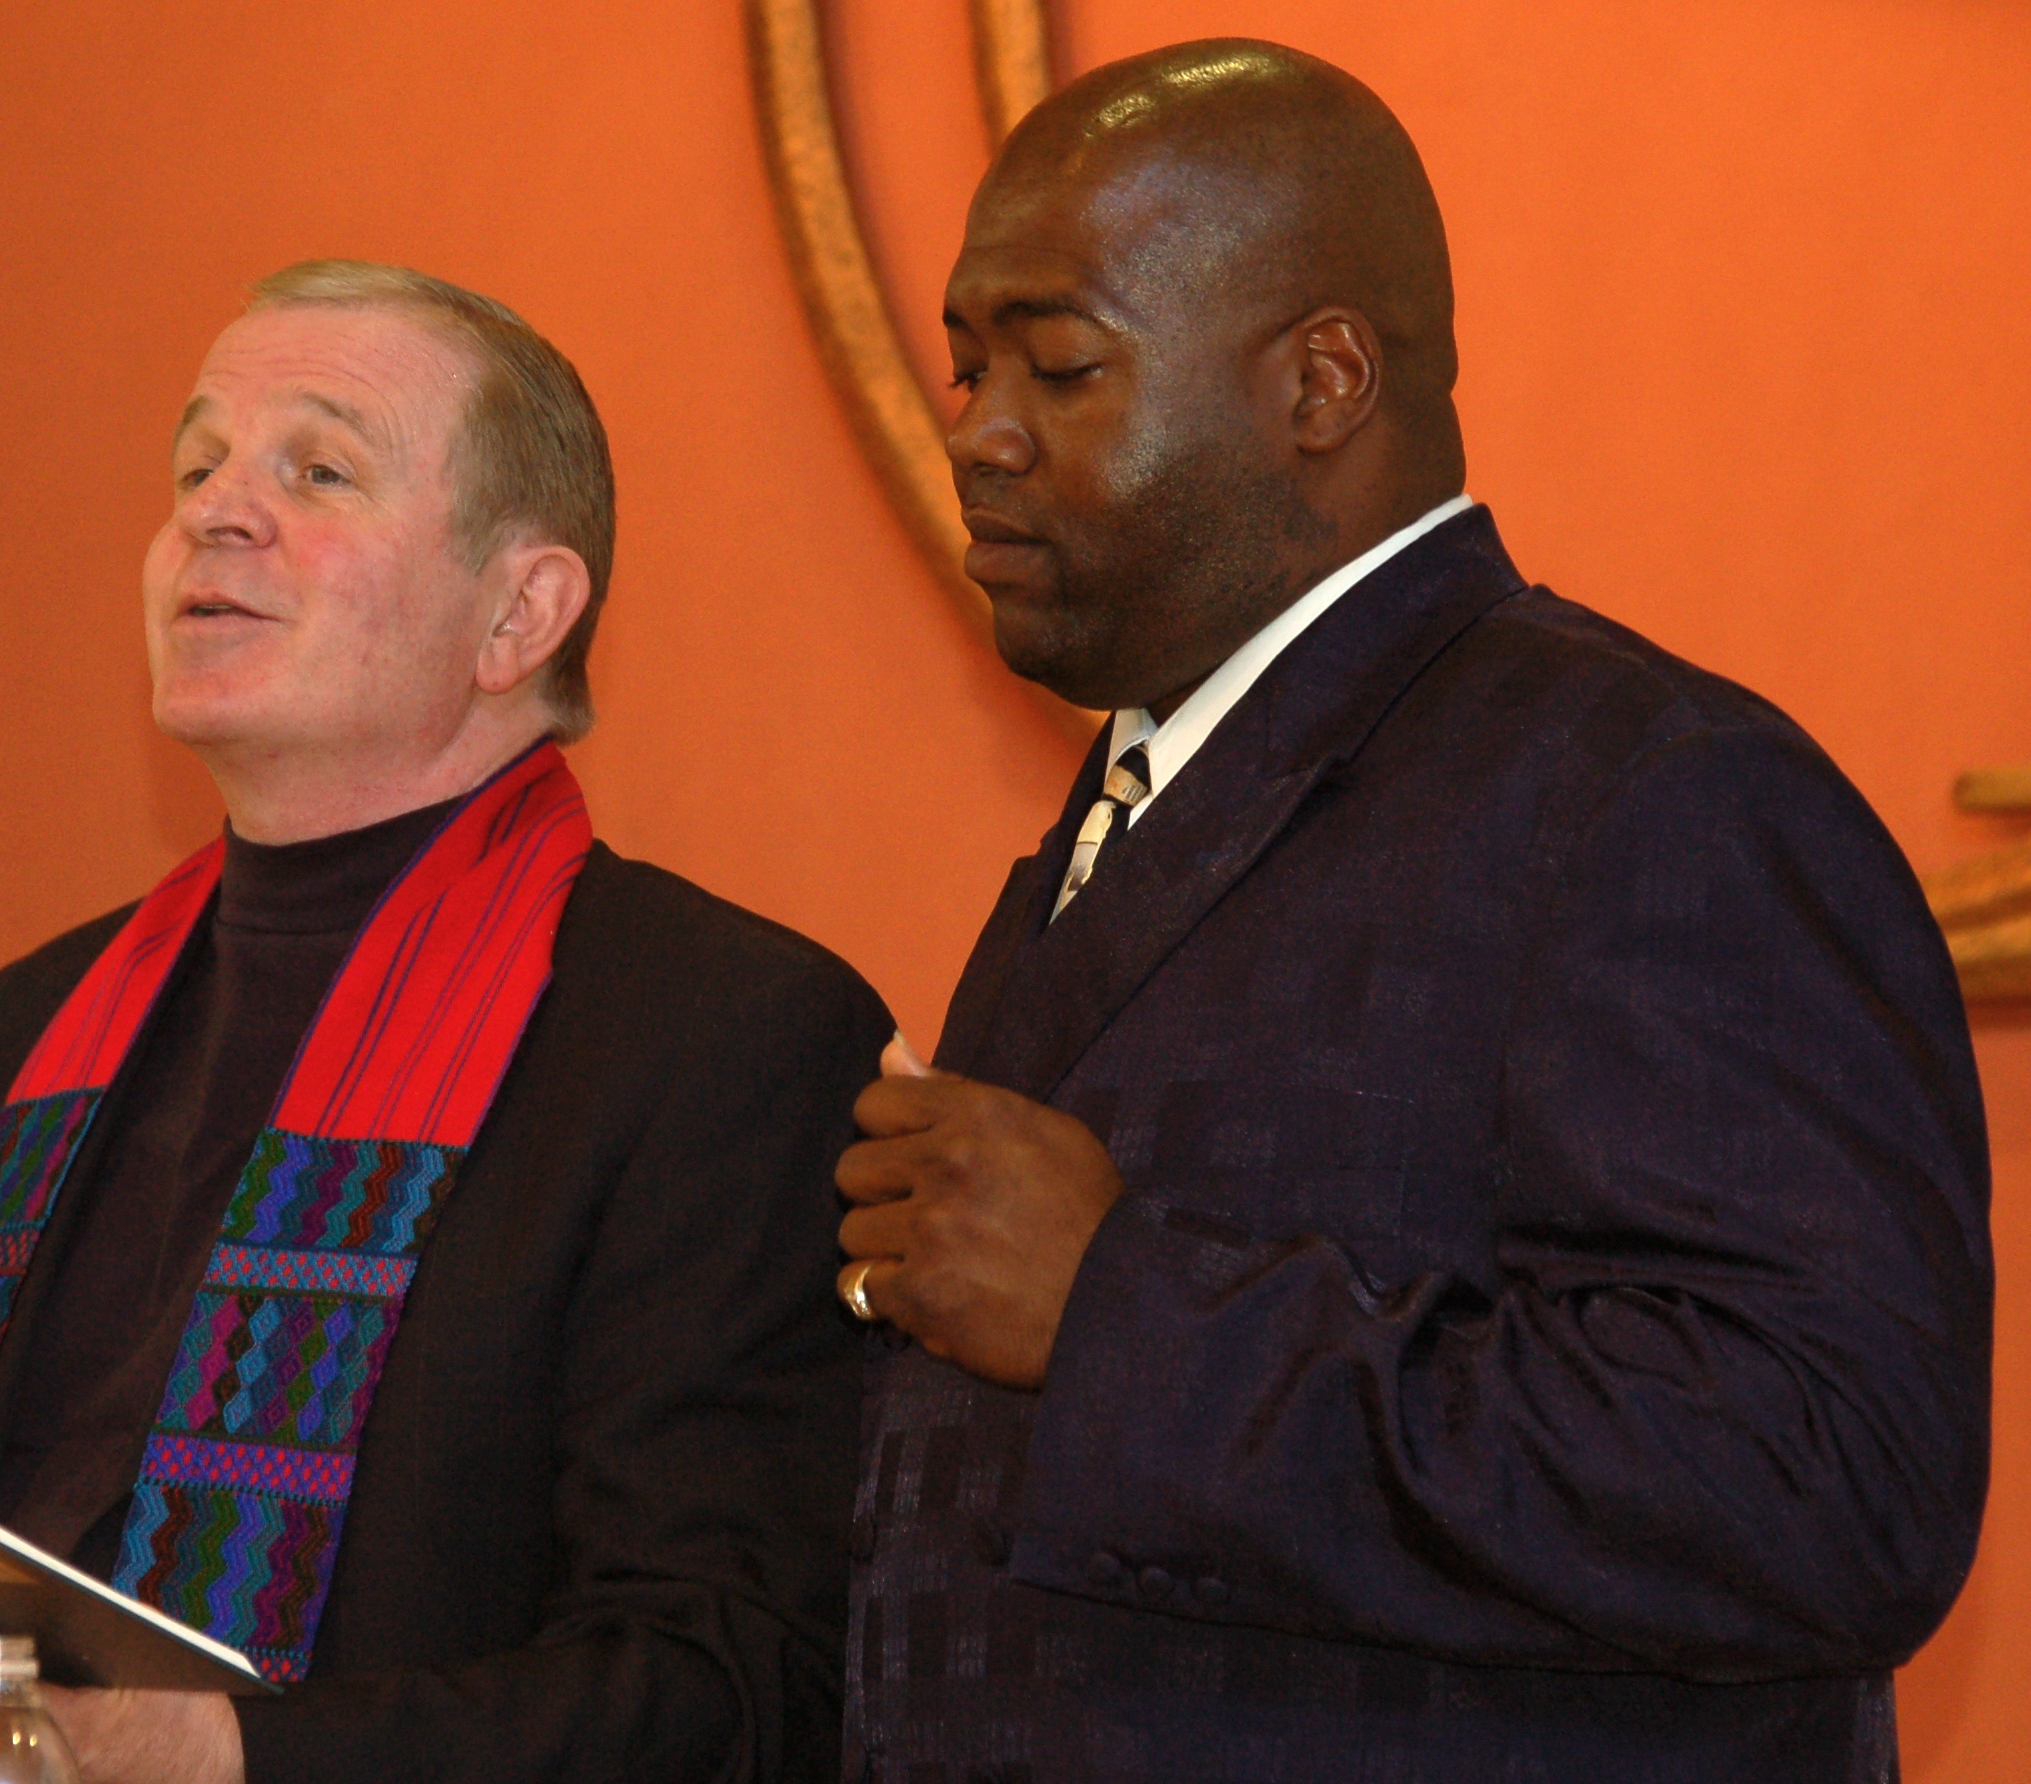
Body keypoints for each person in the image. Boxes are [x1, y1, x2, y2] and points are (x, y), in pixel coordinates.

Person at [0, 260, 892, 1784]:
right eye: (197, 468)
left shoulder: (719, 1036)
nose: (217, 514)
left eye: (319, 471)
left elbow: (729, 1689)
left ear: (518, 612)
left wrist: (221, 1759)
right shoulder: (28, 1031)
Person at [835, 40, 1991, 1784]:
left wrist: (1126, 1311)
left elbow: (1831, 1477)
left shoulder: (1654, 787)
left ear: (1321, 382)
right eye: (966, 364)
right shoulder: (1145, 793)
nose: (975, 431)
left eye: (1058, 365)